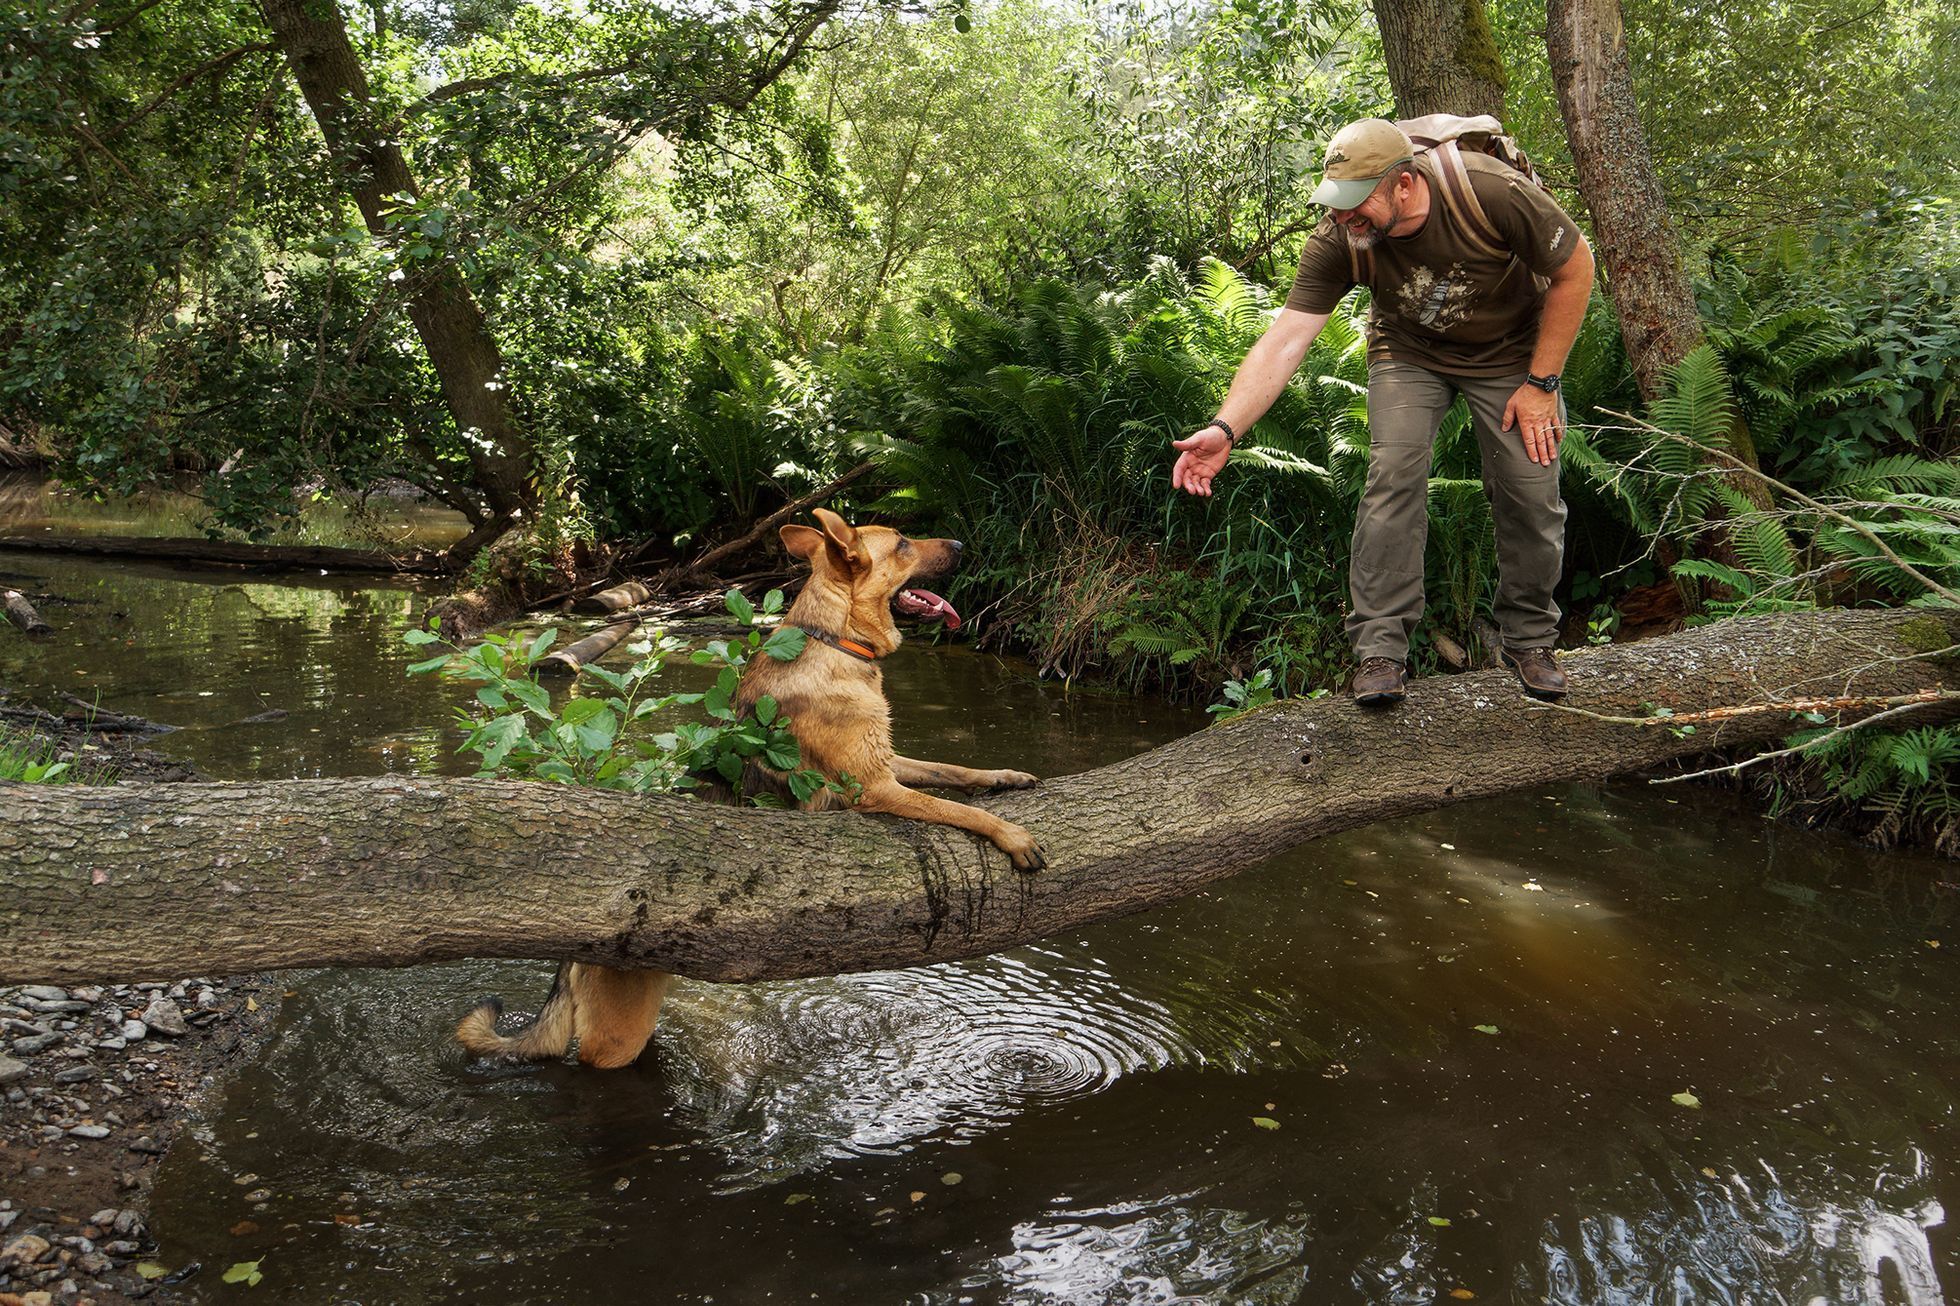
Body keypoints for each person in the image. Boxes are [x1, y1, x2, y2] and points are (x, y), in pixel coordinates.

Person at [1170, 117, 1595, 706]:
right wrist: (1225, 429)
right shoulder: (1339, 238)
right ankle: (1380, 651)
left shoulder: (1489, 191)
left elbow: (1576, 269)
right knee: (1392, 477)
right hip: (1409, 351)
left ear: (1404, 183)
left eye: (1357, 202)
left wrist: (1542, 383)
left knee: (1529, 488)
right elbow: (1285, 339)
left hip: (1512, 355)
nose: (1346, 217)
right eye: (1336, 203)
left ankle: (1529, 639)